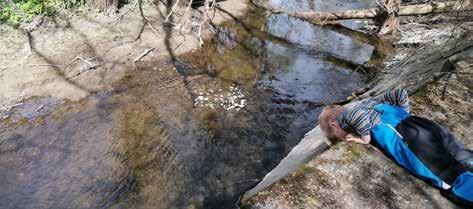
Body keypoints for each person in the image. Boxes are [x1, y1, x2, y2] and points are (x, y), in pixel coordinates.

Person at [318, 88, 473, 207]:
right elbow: (400, 93)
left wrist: (364, 139)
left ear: (334, 124)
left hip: (410, 139)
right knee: (459, 154)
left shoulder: (346, 118)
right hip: (421, 124)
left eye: (338, 137)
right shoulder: (369, 103)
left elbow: (356, 117)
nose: (343, 138)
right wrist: (404, 114)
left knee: (447, 177)